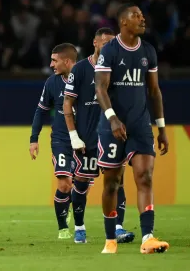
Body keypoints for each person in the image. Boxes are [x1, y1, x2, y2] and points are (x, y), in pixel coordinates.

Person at [94, 3, 169, 254]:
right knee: (112, 184)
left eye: (142, 15)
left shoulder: (148, 50)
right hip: (112, 126)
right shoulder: (110, 51)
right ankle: (110, 238)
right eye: (136, 16)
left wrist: (161, 128)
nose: (142, 19)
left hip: (140, 125)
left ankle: (147, 237)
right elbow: (100, 88)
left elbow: (154, 91)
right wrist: (113, 118)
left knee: (145, 177)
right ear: (123, 22)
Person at [63, 27, 135, 244]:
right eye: (106, 43)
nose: (110, 48)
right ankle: (79, 227)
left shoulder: (119, 69)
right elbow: (68, 103)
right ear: (95, 43)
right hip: (88, 139)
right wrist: (74, 135)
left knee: (116, 182)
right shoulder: (81, 69)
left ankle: (119, 227)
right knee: (82, 183)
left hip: (111, 135)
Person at [30, 43, 77, 240]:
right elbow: (41, 110)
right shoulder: (52, 82)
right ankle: (63, 229)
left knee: (80, 187)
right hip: (60, 140)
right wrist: (34, 139)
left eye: (54, 60)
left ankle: (74, 211)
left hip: (84, 141)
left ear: (67, 61)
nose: (51, 64)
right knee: (64, 184)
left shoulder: (88, 79)